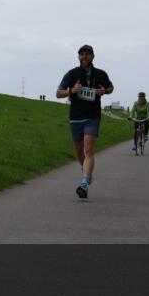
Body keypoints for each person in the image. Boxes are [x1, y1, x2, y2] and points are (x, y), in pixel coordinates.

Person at [55, 45, 114, 199]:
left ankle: (84, 183)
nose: (84, 57)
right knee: (79, 152)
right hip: (75, 117)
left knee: (88, 149)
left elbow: (111, 87)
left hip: (93, 117)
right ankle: (86, 173)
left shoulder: (100, 74)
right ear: (78, 57)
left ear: (93, 56)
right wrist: (71, 91)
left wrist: (104, 91)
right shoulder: (72, 74)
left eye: (87, 54)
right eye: (82, 55)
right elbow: (58, 93)